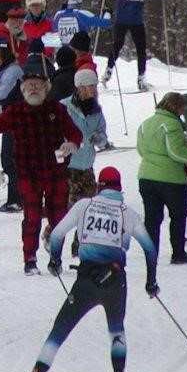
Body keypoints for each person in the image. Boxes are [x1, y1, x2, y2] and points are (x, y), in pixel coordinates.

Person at [29, 166, 159, 372]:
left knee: (60, 329)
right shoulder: (129, 214)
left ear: (99, 186)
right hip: (116, 280)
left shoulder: (84, 205)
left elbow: (57, 234)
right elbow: (150, 249)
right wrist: (151, 282)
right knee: (116, 329)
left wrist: (55, 259)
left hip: (86, 280)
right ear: (119, 189)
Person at [0, 55, 84, 275]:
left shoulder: (57, 110)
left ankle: (55, 257)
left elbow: (75, 134)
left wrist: (72, 144)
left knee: (58, 218)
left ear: (46, 87)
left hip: (55, 171)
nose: (34, 89)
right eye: (29, 85)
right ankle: (30, 259)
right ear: (23, 89)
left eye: (38, 85)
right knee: (31, 217)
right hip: (28, 172)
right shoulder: (16, 112)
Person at [136, 92, 187, 264]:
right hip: (170, 179)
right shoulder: (172, 125)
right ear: (176, 107)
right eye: (183, 108)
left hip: (146, 178)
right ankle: (178, 253)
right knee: (178, 215)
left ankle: (151, 255)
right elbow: (176, 152)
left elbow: (141, 150)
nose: (184, 112)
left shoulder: (145, 124)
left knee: (152, 219)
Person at [98, 0, 167, 90]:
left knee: (116, 46)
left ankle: (108, 71)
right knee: (141, 49)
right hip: (136, 20)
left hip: (121, 19)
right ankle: (141, 78)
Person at [61, 67, 109, 255]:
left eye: (95, 86)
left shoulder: (96, 110)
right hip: (69, 166)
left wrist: (99, 139)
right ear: (79, 87)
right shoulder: (65, 107)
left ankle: (79, 245)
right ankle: (53, 235)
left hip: (87, 165)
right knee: (70, 208)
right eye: (90, 86)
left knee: (89, 207)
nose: (94, 90)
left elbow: (103, 134)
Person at [0, 38, 25, 212]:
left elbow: (3, 96)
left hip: (15, 121)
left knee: (10, 160)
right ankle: (15, 199)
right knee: (11, 160)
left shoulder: (12, 71)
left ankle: (16, 200)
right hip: (14, 119)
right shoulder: (8, 70)